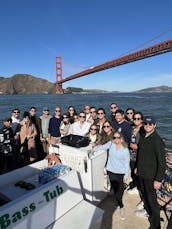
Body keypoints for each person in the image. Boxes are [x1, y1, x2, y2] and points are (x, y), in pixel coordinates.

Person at [136, 115, 166, 229]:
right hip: (142, 173)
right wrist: (137, 167)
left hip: (151, 176)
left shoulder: (157, 141)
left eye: (150, 124)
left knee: (152, 201)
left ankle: (156, 225)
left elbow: (162, 163)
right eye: (146, 124)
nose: (148, 126)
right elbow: (140, 153)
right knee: (145, 196)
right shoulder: (143, 136)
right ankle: (149, 214)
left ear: (154, 125)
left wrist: (158, 180)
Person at [93, 131, 130, 220]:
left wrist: (126, 175)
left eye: (118, 137)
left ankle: (121, 205)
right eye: (114, 137)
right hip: (111, 171)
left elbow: (126, 163)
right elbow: (103, 147)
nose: (116, 139)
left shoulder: (125, 149)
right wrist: (94, 149)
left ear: (121, 139)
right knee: (116, 190)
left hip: (120, 172)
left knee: (119, 191)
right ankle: (120, 205)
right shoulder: (110, 144)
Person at [128, 111, 145, 194]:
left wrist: (137, 147)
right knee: (133, 171)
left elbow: (146, 144)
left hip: (140, 155)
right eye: (135, 118)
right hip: (132, 155)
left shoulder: (143, 130)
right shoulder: (133, 128)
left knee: (138, 173)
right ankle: (135, 186)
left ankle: (140, 189)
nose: (136, 120)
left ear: (142, 120)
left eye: (138, 118)